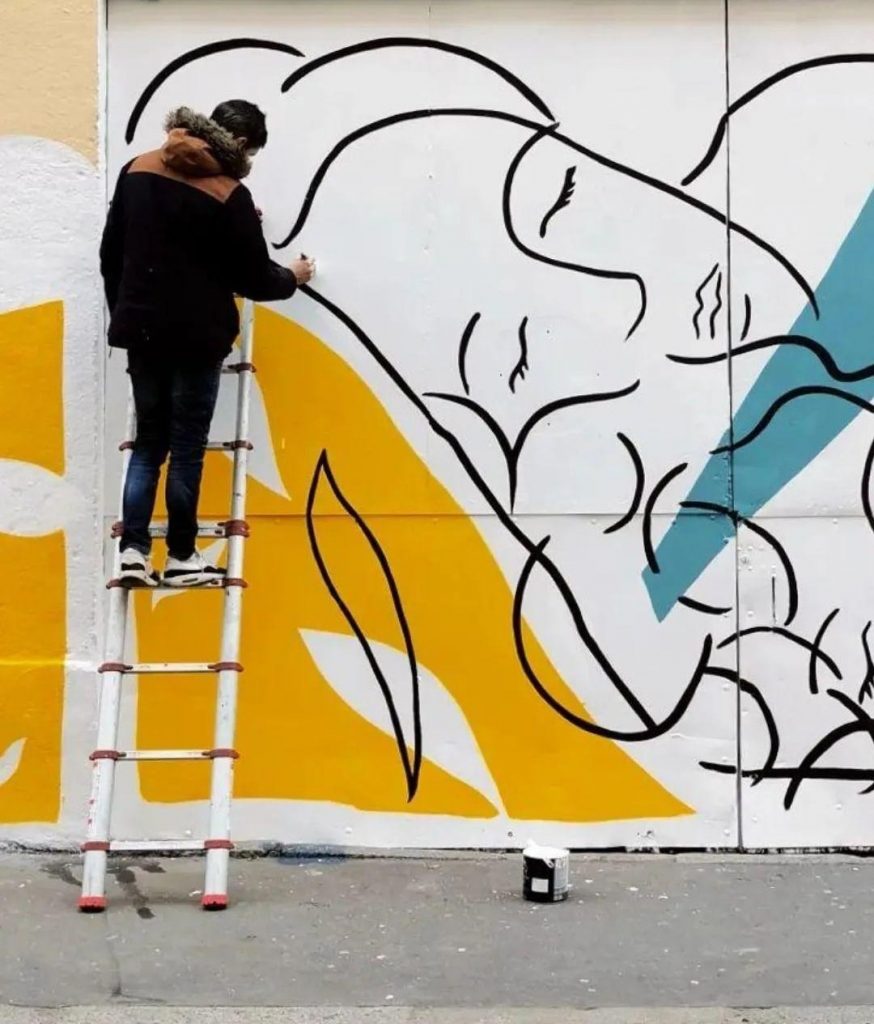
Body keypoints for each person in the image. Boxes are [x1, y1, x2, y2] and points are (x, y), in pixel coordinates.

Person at [100, 100, 315, 587]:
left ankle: (133, 552)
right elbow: (254, 277)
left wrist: (126, 313)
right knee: (187, 447)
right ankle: (181, 558)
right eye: (251, 152)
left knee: (148, 444)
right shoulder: (228, 194)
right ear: (238, 143)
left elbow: (111, 252)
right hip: (198, 337)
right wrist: (294, 276)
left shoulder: (137, 169)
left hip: (142, 331)